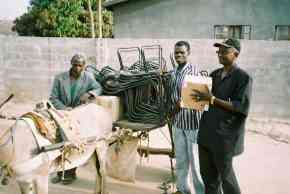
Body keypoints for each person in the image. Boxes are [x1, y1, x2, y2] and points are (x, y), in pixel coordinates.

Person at [193, 38, 253, 194]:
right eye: (218, 51)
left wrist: (212, 99)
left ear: (236, 54)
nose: (220, 54)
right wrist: (192, 97)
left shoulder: (243, 78)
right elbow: (204, 100)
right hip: (206, 135)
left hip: (224, 138)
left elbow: (241, 107)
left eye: (224, 51)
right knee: (208, 179)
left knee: (227, 180)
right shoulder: (215, 74)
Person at [49, 54, 102, 185]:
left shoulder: (88, 77)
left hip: (79, 115)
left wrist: (89, 94)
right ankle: (59, 172)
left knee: (74, 143)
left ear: (83, 66)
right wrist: (64, 108)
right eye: (75, 65)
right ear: (71, 64)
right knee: (59, 142)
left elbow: (99, 88)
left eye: (80, 65)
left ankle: (70, 174)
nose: (77, 68)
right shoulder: (60, 78)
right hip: (62, 113)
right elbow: (53, 97)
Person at [169, 41, 204, 194]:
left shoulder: (194, 71)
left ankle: (201, 191)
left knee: (195, 162)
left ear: (188, 53)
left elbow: (200, 98)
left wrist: (180, 104)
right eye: (176, 52)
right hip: (177, 123)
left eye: (182, 52)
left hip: (192, 124)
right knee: (181, 161)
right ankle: (183, 190)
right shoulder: (174, 72)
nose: (179, 55)